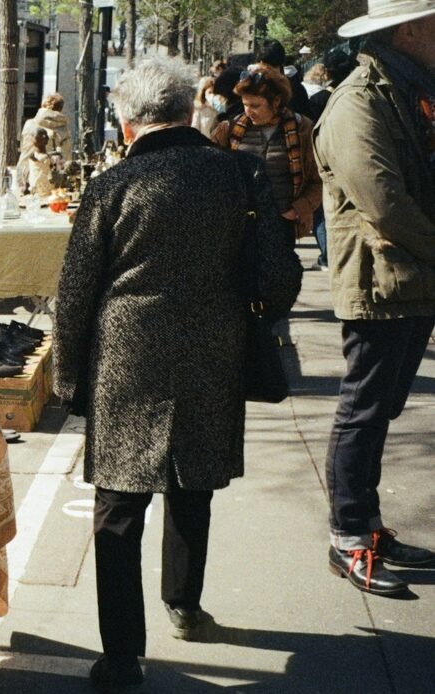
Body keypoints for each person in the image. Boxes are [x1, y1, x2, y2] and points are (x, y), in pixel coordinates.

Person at [52, 57, 301, 691]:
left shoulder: (113, 185)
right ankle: (184, 605)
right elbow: (278, 277)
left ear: (127, 122)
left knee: (118, 505)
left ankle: (121, 658)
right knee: (193, 485)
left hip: (127, 355)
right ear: (190, 110)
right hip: (213, 348)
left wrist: (68, 378)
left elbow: (75, 293)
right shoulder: (239, 173)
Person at [313, 0, 435, 597]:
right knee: (363, 410)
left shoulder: (406, 89)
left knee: (378, 410)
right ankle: (349, 537)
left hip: (408, 277)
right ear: (409, 30)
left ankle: (367, 524)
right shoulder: (359, 99)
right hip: (380, 279)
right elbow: (384, 201)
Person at [211, 65, 322, 248]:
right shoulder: (228, 130)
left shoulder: (302, 129)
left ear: (276, 101)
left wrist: (297, 210)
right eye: (245, 104)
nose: (248, 111)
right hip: (240, 227)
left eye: (255, 106)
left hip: (282, 225)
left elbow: (318, 180)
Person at [306, 50, 358, 270]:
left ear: (327, 72)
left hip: (324, 160)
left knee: (323, 211)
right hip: (353, 160)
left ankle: (328, 255)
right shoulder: (358, 96)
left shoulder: (318, 100)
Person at [15, 92, 72, 194]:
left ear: (43, 105)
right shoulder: (63, 129)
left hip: (25, 177)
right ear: (60, 109)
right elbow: (66, 157)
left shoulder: (29, 124)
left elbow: (24, 150)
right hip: (50, 179)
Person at [255, 38, 313, 117]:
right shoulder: (254, 86)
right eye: (262, 67)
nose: (267, 73)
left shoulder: (295, 89)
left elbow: (304, 118)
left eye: (271, 67)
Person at [24, 129, 56, 197]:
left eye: (45, 135)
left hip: (45, 187)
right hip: (35, 187)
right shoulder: (31, 155)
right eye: (39, 135)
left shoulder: (45, 156)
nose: (44, 137)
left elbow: (47, 169)